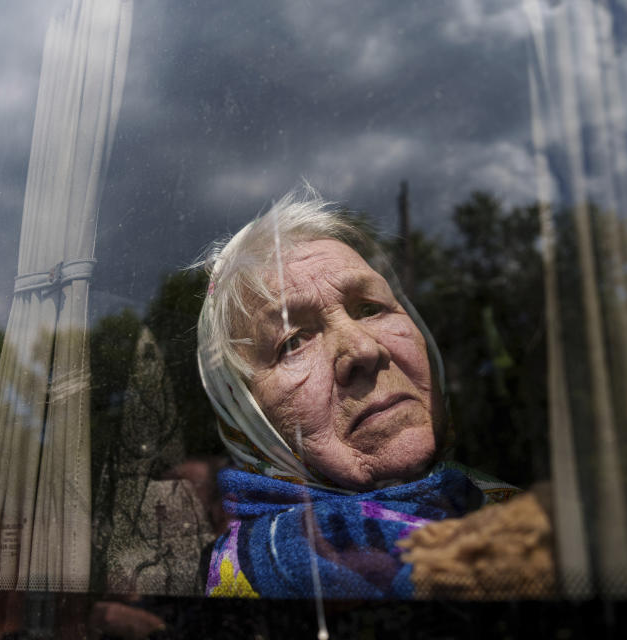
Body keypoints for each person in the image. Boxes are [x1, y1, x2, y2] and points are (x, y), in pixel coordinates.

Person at [196, 187, 518, 599]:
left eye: (370, 308)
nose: (364, 350)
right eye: (293, 341)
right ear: (245, 415)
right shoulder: (279, 577)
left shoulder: (490, 499)